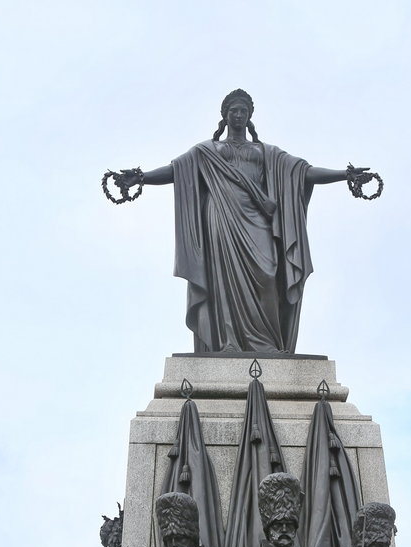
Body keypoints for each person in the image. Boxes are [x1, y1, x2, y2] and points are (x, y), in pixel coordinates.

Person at [118, 89, 369, 353]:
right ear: (225, 116)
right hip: (221, 217)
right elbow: (177, 171)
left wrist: (345, 174)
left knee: (268, 275)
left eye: (243, 111)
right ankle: (229, 343)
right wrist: (141, 177)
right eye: (233, 111)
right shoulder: (207, 151)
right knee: (223, 281)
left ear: (249, 117)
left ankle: (268, 343)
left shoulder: (267, 152)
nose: (238, 115)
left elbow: (303, 172)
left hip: (258, 219)